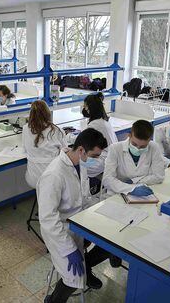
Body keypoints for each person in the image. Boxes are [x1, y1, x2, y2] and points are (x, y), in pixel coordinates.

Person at [38, 128, 111, 303]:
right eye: (94, 156)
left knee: (110, 244)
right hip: (60, 231)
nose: (96, 160)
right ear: (81, 150)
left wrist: (103, 210)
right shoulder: (54, 174)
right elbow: (48, 219)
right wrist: (69, 249)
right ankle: (53, 300)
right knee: (73, 278)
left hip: (79, 223)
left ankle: (87, 265)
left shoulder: (79, 164)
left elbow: (83, 199)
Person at [103, 120, 165, 196]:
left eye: (143, 146)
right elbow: (107, 179)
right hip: (117, 192)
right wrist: (130, 189)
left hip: (144, 192)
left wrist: (133, 181)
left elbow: (159, 176)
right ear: (129, 135)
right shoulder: (115, 149)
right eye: (134, 144)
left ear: (150, 139)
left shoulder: (154, 147)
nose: (138, 148)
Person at [22, 100, 66, 189]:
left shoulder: (25, 129)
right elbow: (65, 154)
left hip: (33, 179)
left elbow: (25, 150)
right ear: (47, 113)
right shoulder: (57, 131)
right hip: (52, 179)